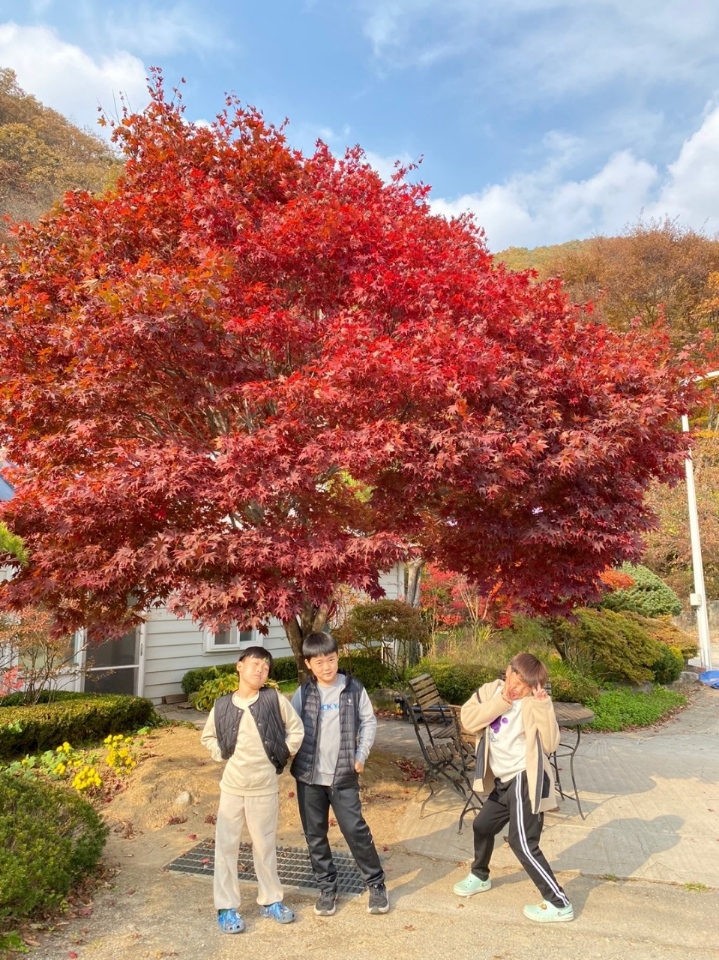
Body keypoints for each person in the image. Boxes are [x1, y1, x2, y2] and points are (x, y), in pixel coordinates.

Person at [453, 652, 574, 923]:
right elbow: (469, 721)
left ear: (534, 687)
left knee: (523, 842)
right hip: (502, 781)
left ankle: (559, 902)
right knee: (482, 826)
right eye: (516, 679)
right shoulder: (489, 692)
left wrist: (544, 707)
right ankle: (479, 875)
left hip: (525, 777)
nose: (517, 688)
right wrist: (501, 702)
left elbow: (551, 743)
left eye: (525, 685)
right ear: (507, 671)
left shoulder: (535, 703)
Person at [201, 645, 305, 934]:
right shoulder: (222, 705)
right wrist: (220, 753)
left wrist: (284, 751)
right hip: (232, 788)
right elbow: (208, 736)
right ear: (239, 666)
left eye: (266, 667)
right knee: (226, 847)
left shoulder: (274, 700)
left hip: (264, 787)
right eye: (255, 664)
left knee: (264, 846)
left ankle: (270, 900)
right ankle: (226, 907)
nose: (260, 670)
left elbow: (296, 730)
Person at [290, 631, 389, 917]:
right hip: (309, 778)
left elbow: (369, 722)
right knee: (315, 835)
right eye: (319, 662)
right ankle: (327, 889)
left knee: (355, 830)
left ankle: (376, 884)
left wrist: (361, 755)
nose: (326, 667)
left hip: (343, 775)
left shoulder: (353, 688)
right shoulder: (304, 692)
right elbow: (292, 727)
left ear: (337, 657)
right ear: (309, 664)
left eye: (331, 659)